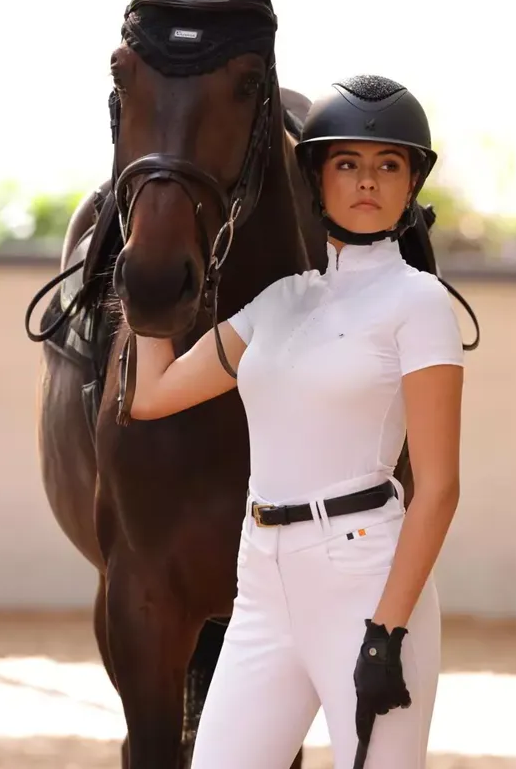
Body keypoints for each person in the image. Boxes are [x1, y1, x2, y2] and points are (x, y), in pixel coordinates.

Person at [129, 74, 464, 769]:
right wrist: (146, 285)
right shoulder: (279, 304)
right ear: (316, 180)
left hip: (366, 581)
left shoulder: (420, 303)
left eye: (387, 165)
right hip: (262, 581)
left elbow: (438, 488)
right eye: (347, 163)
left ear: (410, 186)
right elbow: (152, 394)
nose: (367, 180)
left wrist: (389, 632)